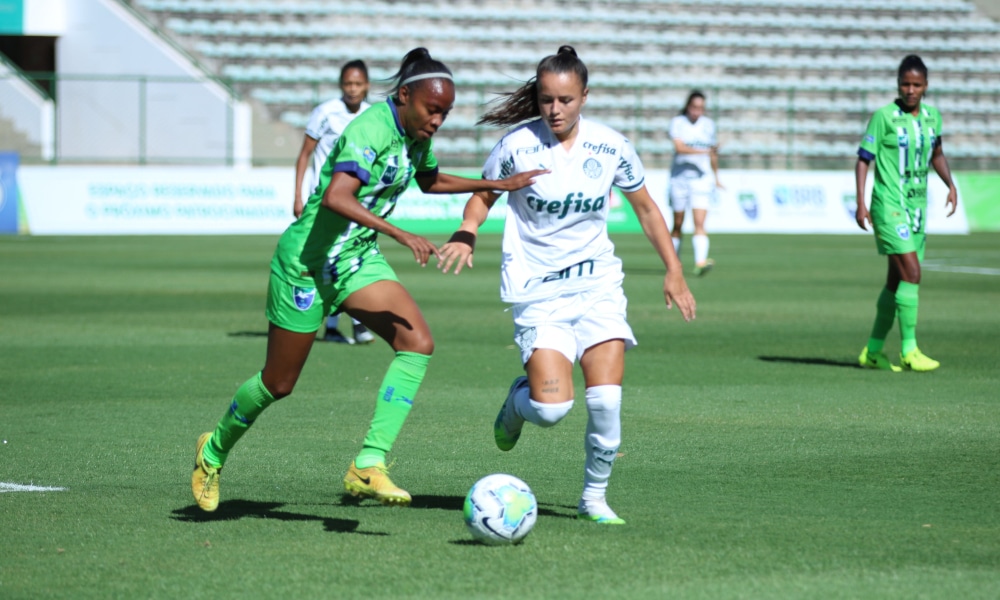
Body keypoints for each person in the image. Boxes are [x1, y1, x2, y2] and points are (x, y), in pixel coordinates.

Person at [191, 48, 545, 512]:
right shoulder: (370, 129)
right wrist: (398, 231)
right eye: (432, 109)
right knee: (278, 383)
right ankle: (212, 452)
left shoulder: (415, 135)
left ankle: (369, 463)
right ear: (404, 95)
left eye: (445, 112)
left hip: (356, 260)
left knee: (417, 343)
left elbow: (428, 179)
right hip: (307, 264)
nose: (437, 120)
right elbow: (338, 196)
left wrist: (497, 186)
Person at [438, 46, 696, 525]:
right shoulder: (517, 145)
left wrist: (674, 268)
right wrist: (467, 232)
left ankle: (593, 498)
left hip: (597, 285)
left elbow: (645, 208)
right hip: (538, 292)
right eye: (546, 99)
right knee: (552, 410)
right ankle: (518, 403)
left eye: (565, 100)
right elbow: (483, 197)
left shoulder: (611, 146)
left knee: (606, 400)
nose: (554, 109)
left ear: (584, 97)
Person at [855, 54, 958, 372]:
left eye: (916, 84)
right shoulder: (883, 117)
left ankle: (872, 351)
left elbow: (936, 153)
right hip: (888, 205)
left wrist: (950, 184)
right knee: (912, 273)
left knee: (895, 280)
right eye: (905, 83)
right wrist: (861, 202)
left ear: (926, 86)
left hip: (916, 208)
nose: (910, 89)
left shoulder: (932, 118)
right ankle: (909, 350)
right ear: (898, 85)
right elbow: (863, 159)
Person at [293, 59, 375, 345]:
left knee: (351, 257)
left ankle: (347, 324)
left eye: (357, 84)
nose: (352, 89)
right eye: (347, 84)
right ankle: (345, 325)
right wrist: (298, 195)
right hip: (325, 199)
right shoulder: (326, 113)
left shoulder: (372, 115)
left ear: (366, 86)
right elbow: (305, 154)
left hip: (358, 200)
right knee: (334, 258)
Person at [666, 90, 722, 276]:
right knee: (678, 224)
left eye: (701, 108)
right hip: (680, 179)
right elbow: (680, 148)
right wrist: (705, 152)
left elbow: (712, 153)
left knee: (700, 222)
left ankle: (700, 262)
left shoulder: (708, 125)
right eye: (695, 107)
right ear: (688, 106)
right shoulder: (678, 123)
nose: (698, 111)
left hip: (701, 180)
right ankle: (674, 263)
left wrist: (716, 177)